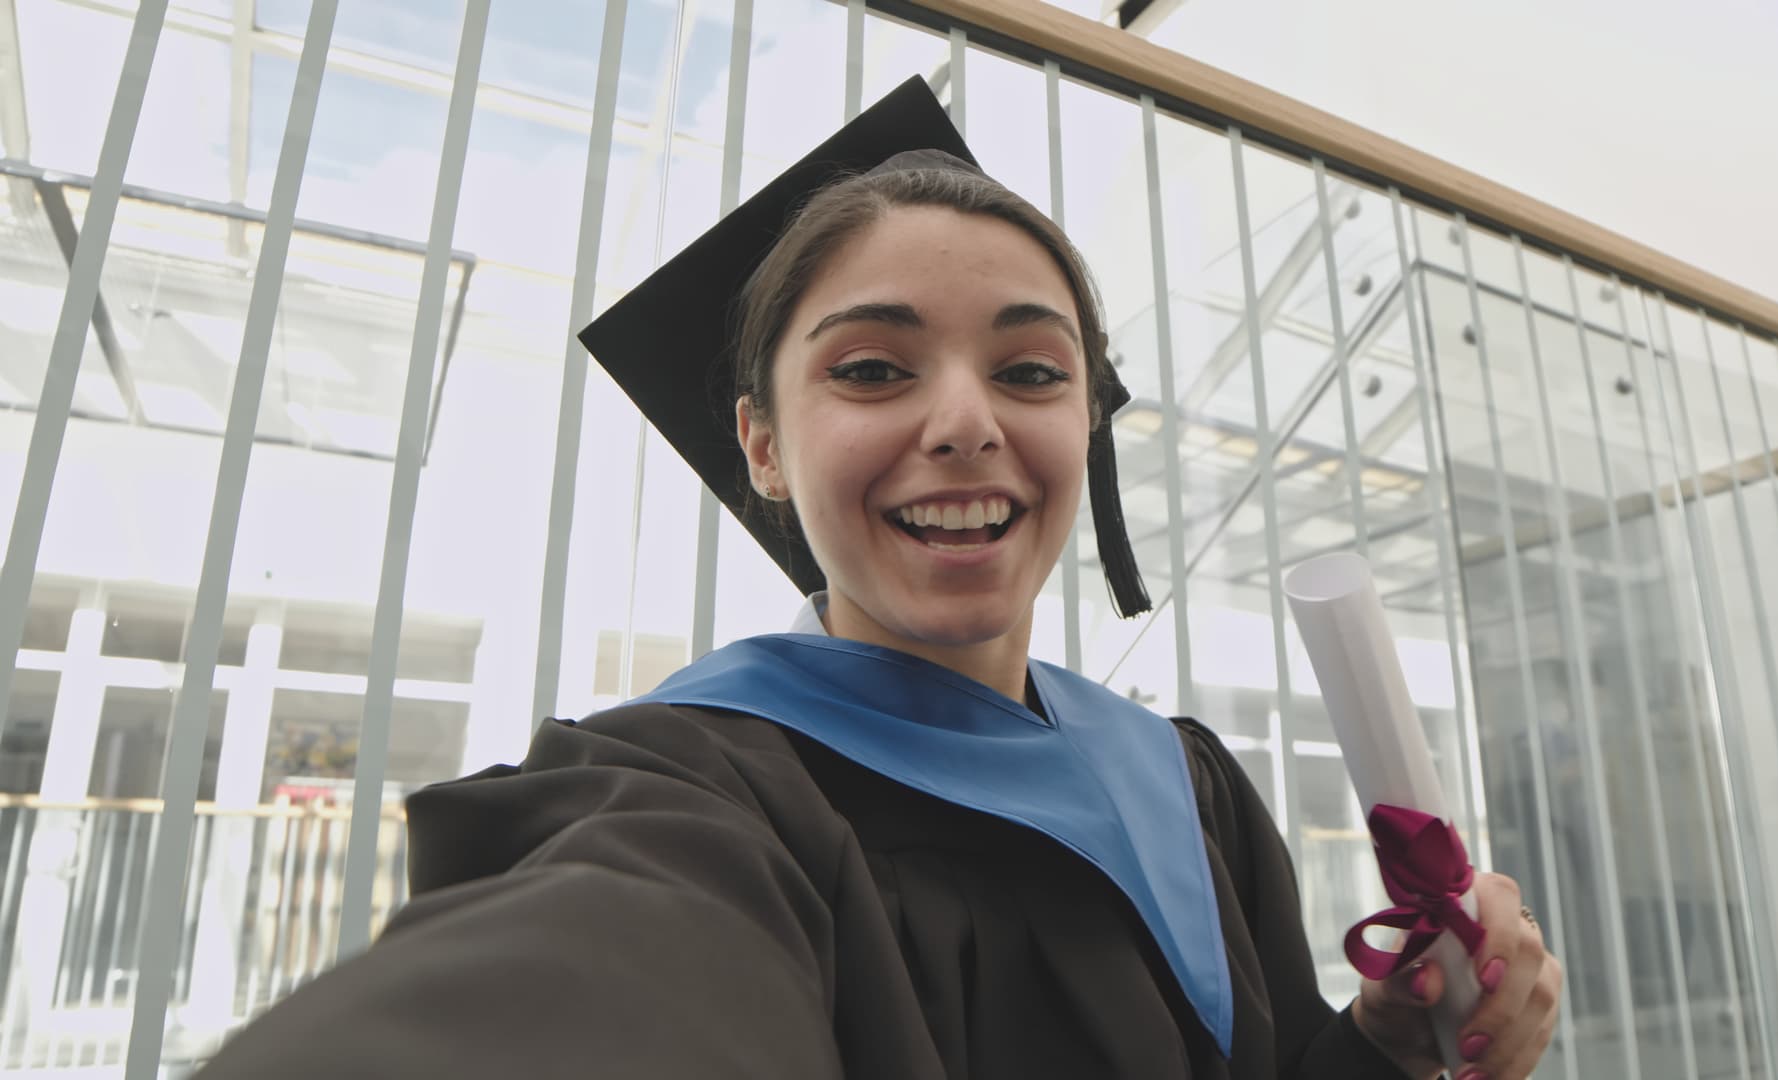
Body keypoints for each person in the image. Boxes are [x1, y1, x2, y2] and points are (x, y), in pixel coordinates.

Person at [196, 78, 1559, 1079]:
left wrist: (1384, 1045)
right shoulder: (692, 790)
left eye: (1031, 370)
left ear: (1085, 423)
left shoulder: (1187, 781)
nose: (966, 421)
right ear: (762, 446)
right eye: (870, 368)